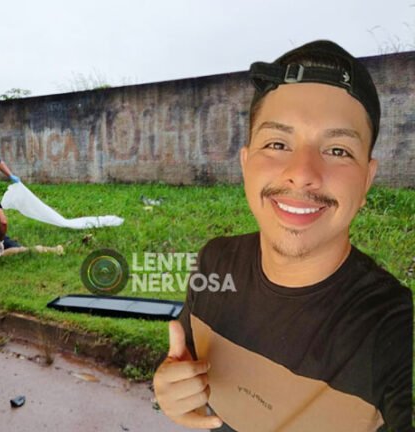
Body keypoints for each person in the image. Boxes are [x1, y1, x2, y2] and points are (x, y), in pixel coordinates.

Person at [152, 40, 413, 431]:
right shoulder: (214, 262)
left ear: (367, 180)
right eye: (277, 143)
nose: (302, 173)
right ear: (246, 165)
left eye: (338, 150)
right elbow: (185, 363)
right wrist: (170, 388)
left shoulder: (393, 324)